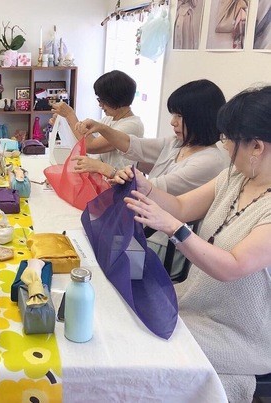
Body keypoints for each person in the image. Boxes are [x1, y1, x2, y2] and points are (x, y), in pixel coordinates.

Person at [119, 85, 271, 402]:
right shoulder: (234, 177)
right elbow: (181, 207)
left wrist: (175, 229)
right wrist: (145, 188)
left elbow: (233, 267)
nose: (224, 146)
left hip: (238, 331)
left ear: (256, 146)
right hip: (195, 301)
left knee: (140, 348)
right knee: (123, 315)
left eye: (229, 139)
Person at [74, 79, 229, 276]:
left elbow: (152, 188)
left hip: (161, 242)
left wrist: (107, 170)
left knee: (90, 259)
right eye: (173, 115)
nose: (173, 122)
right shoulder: (178, 144)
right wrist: (102, 128)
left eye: (180, 116)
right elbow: (134, 145)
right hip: (140, 227)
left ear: (200, 118)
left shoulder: (209, 161)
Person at [51, 69, 145, 172]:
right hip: (103, 178)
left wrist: (70, 115)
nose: (100, 105)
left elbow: (91, 146)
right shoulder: (109, 119)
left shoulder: (132, 125)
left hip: (119, 181)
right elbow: (82, 139)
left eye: (102, 100)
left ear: (115, 99)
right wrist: (65, 123)